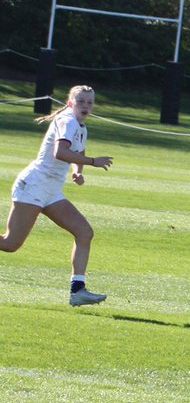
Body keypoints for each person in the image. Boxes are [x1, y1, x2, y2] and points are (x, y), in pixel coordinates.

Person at [1, 85, 114, 306]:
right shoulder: (68, 121)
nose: (86, 106)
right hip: (33, 186)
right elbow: (60, 152)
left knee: (84, 232)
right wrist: (93, 162)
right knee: (10, 244)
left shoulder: (81, 126)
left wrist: (77, 172)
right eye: (81, 101)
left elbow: (76, 153)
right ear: (71, 102)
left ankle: (77, 290)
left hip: (51, 191)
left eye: (89, 102)